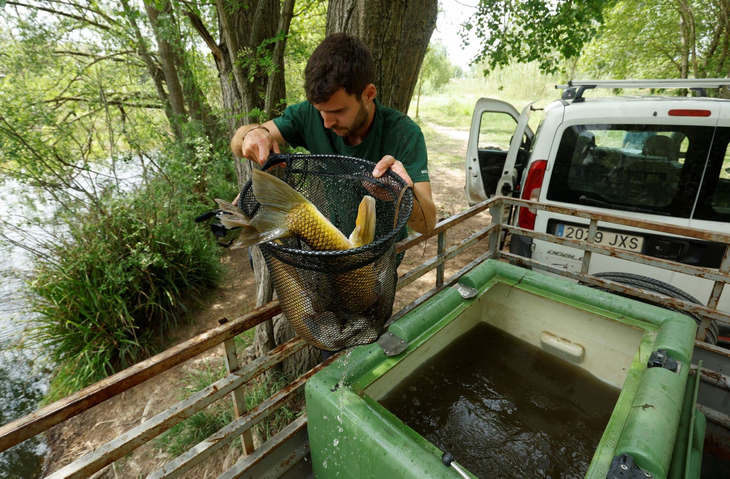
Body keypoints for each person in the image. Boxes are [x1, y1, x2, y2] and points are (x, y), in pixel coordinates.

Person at [230, 32, 436, 238]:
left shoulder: (405, 134)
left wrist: (401, 193)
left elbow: (428, 224)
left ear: (369, 94)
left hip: (382, 255)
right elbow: (238, 142)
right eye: (321, 111)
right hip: (331, 243)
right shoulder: (308, 116)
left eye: (338, 112)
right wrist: (252, 133)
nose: (327, 123)